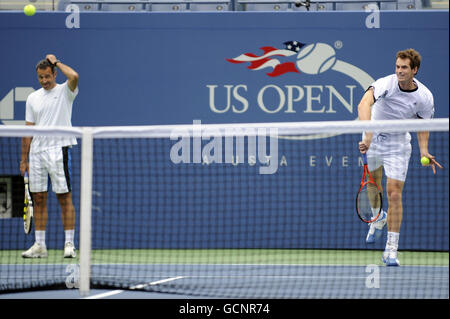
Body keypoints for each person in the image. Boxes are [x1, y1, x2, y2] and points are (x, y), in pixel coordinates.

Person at [357, 48, 442, 266]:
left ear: (414, 70)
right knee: (373, 184)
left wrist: (424, 149)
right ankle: (378, 217)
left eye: (404, 68)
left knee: (394, 194)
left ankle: (391, 249)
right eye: (397, 67)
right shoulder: (386, 83)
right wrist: (367, 135)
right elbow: (364, 104)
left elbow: (424, 124)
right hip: (373, 136)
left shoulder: (424, 96)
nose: (399, 71)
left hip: (398, 144)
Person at [20, 54, 79, 258]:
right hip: (36, 153)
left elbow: (74, 76)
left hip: (58, 150)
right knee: (38, 198)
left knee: (64, 197)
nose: (44, 81)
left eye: (47, 76)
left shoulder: (65, 91)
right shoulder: (32, 98)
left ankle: (69, 243)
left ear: (54, 73)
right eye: (40, 77)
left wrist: (57, 61)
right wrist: (24, 159)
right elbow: (28, 130)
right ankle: (40, 245)